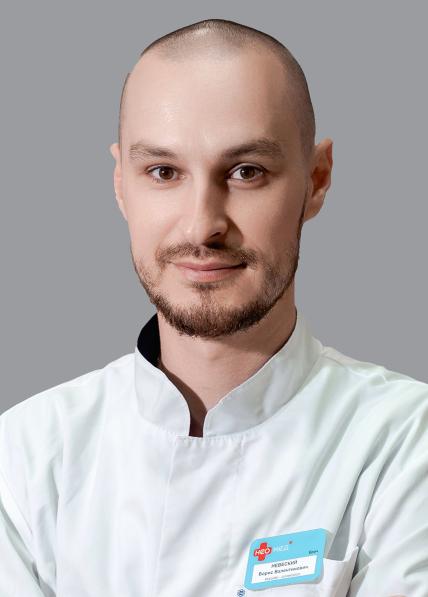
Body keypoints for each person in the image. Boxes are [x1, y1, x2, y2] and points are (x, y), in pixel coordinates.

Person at [0, 17, 426, 597]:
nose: (202, 225)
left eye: (247, 172)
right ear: (122, 183)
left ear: (317, 179)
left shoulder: (406, 442)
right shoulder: (25, 455)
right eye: (163, 172)